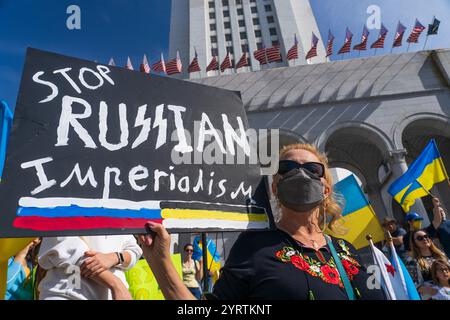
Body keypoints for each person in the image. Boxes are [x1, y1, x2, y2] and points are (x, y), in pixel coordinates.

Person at [138, 143, 386, 300]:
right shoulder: (254, 247)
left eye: (312, 169)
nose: (299, 173)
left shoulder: (346, 249)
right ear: (275, 187)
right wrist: (160, 263)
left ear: (326, 189)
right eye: (287, 167)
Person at [37, 235, 142, 300]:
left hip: (113, 296)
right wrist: (117, 285)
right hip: (68, 294)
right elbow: (70, 250)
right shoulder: (61, 203)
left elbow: (134, 250)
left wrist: (115, 257)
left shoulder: (118, 208)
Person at [405, 229, 448, 299]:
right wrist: (431, 290)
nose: (424, 239)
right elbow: (412, 284)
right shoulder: (412, 261)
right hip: (431, 296)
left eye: (426, 236)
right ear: (414, 243)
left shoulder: (441, 255)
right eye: (420, 238)